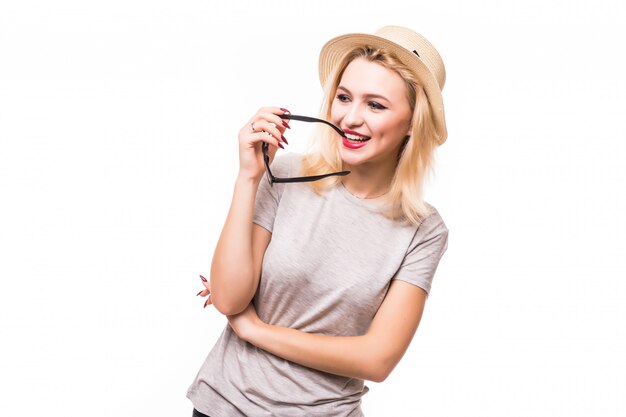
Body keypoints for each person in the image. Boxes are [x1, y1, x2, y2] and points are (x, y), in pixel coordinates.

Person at [187, 25, 450, 417]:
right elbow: (228, 298)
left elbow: (376, 360)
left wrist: (253, 329)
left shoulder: (423, 230)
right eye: (344, 98)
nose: (350, 117)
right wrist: (248, 177)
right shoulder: (284, 176)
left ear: (413, 121)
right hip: (224, 405)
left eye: (375, 105)